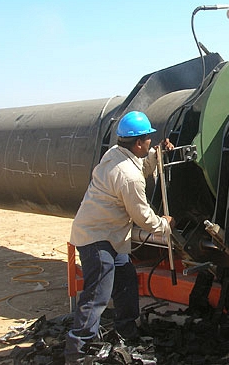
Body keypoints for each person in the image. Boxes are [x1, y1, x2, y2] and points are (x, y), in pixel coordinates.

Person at [65, 110, 174, 364]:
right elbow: (142, 217)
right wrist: (164, 225)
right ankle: (77, 351)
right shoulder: (128, 177)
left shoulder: (115, 153)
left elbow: (140, 164)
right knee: (97, 294)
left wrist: (157, 154)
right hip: (96, 239)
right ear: (138, 143)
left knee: (125, 278)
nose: (150, 141)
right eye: (148, 139)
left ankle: (126, 330)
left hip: (109, 236)